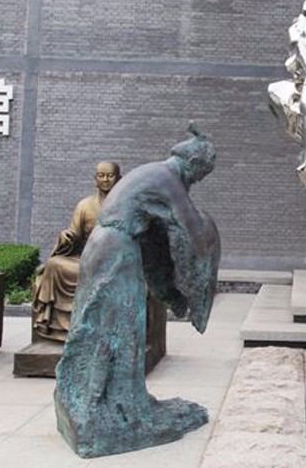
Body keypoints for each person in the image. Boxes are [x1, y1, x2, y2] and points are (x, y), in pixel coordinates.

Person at [55, 126, 219, 458]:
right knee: (118, 331)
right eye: (199, 175)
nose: (196, 182)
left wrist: (170, 290)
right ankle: (108, 408)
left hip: (104, 249)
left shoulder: (152, 174)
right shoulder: (167, 180)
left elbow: (159, 239)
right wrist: (198, 289)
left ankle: (102, 402)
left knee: (103, 327)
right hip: (116, 252)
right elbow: (190, 232)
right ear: (192, 164)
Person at [32, 161, 121, 341]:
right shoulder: (85, 205)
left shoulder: (127, 204)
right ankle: (56, 328)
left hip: (115, 261)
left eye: (110, 176)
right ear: (95, 179)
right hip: (85, 259)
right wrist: (66, 237)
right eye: (101, 175)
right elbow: (75, 235)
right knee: (53, 264)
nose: (105, 180)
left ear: (119, 178)